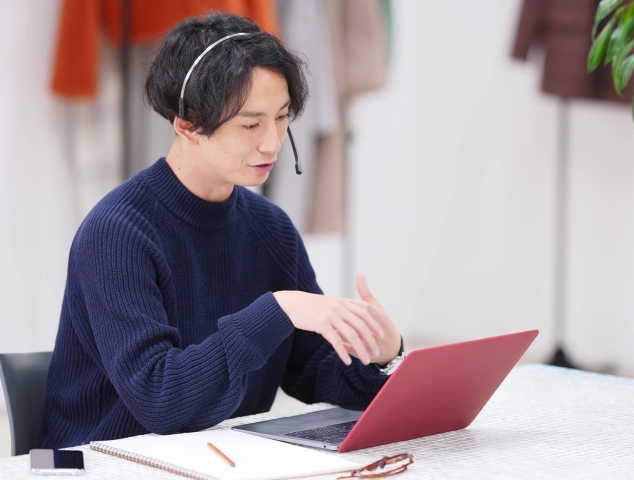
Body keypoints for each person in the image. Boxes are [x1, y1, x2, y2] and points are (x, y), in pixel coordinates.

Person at [39, 12, 402, 449]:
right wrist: (276, 310)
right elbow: (163, 401)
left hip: (221, 458)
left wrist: (382, 354)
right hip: (113, 461)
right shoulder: (117, 234)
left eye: (282, 118)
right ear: (187, 124)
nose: (271, 142)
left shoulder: (271, 228)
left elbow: (314, 372)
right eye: (250, 124)